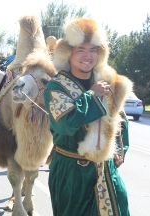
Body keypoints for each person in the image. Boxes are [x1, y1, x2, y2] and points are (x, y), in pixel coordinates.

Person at [43, 17, 131, 216]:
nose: (87, 56)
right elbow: (65, 124)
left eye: (93, 50)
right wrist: (92, 95)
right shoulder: (56, 87)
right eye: (80, 50)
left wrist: (121, 149)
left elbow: (120, 119)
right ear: (68, 53)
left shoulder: (106, 79)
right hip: (72, 173)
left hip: (106, 171)